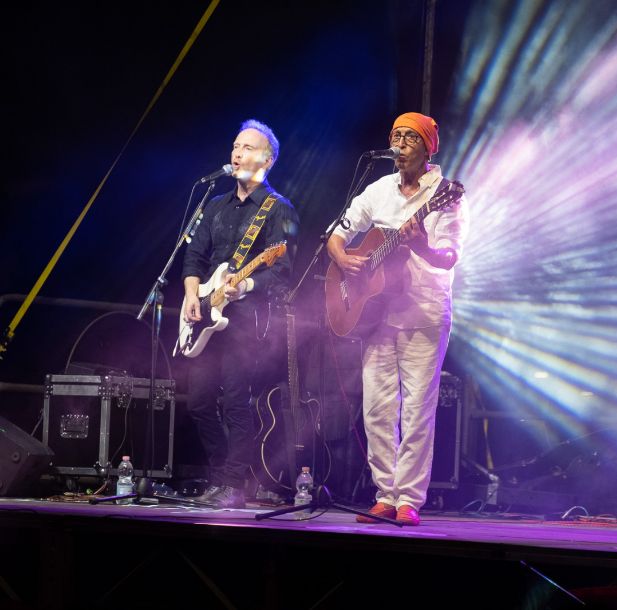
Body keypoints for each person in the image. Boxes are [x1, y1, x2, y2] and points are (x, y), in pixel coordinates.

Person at [327, 112, 467, 526]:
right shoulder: (379, 189)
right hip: (376, 317)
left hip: (424, 313)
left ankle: (409, 499)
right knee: (377, 409)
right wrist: (341, 256)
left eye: (409, 137)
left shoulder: (446, 194)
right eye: (395, 136)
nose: (399, 143)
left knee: (417, 410)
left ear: (427, 147)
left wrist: (421, 245)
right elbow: (340, 229)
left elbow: (449, 256)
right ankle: (385, 494)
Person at [182, 119, 299, 508]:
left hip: (247, 324)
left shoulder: (278, 209)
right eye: (235, 146)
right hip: (205, 317)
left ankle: (234, 484)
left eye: (248, 147)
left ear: (268, 159)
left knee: (235, 401)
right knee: (197, 402)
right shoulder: (214, 205)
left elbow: (281, 270)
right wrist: (190, 296)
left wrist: (245, 285)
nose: (238, 153)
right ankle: (220, 476)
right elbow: (193, 258)